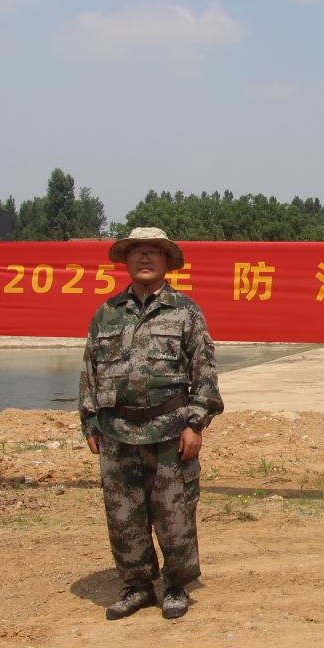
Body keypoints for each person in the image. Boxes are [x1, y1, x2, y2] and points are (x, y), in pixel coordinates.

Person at [79, 227, 223, 620]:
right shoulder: (106, 313)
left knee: (174, 512)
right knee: (124, 515)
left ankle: (176, 585)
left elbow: (205, 373)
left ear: (166, 262)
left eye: (153, 253)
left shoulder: (185, 312)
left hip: (169, 431)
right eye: (137, 252)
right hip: (117, 433)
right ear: (125, 261)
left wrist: (195, 423)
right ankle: (137, 585)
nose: (144, 259)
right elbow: (90, 371)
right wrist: (90, 421)